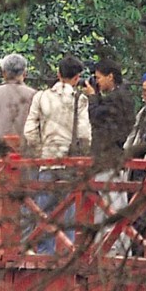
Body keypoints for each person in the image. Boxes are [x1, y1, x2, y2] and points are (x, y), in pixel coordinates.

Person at [22, 57, 92, 253]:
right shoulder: (80, 99)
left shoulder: (41, 97)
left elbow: (29, 131)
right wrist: (82, 154)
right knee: (69, 213)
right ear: (77, 77)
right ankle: (67, 252)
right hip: (70, 163)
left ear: (58, 74)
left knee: (44, 211)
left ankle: (45, 253)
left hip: (47, 162)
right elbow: (85, 135)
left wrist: (40, 152)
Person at [83, 57, 135, 250]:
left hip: (109, 155)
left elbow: (97, 117)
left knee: (110, 203)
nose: (97, 82)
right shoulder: (122, 96)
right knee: (109, 202)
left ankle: (112, 247)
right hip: (113, 155)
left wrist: (92, 97)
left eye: (99, 78)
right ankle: (110, 246)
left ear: (110, 76)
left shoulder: (117, 97)